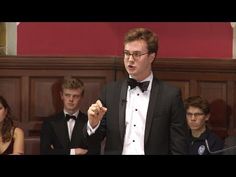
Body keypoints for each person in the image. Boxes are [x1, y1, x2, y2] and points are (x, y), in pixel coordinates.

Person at [86, 27, 188, 155]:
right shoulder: (110, 91)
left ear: (151, 57)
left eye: (137, 54)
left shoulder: (170, 96)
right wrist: (93, 125)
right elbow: (92, 142)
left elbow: (179, 146)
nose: (130, 59)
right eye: (127, 53)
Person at [40, 77, 100, 155]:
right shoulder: (49, 122)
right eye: (67, 95)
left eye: (75, 96)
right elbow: (45, 152)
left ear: (81, 97)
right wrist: (74, 152)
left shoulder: (90, 122)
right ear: (61, 95)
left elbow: (95, 151)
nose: (71, 99)